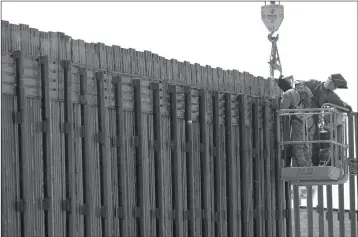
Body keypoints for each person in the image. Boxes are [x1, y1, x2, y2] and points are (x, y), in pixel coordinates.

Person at [281, 83, 315, 167]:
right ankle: (309, 164)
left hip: (299, 121)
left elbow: (282, 109)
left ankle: (304, 165)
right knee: (306, 146)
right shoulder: (303, 95)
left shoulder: (289, 94)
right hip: (308, 121)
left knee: (298, 147)